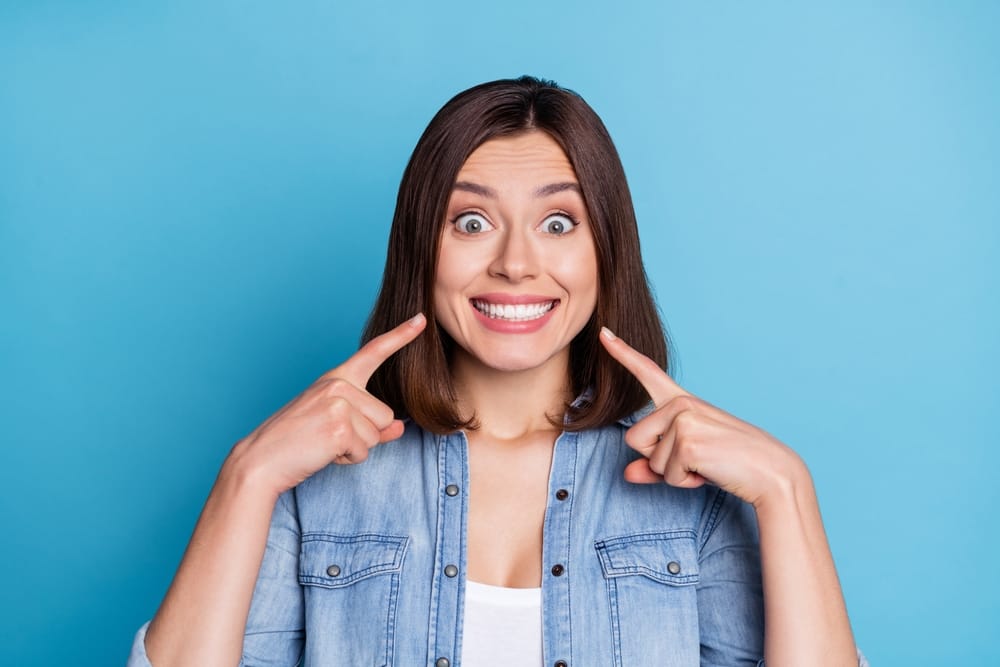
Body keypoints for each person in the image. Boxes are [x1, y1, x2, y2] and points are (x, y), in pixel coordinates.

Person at [128, 76, 866, 666]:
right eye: (471, 222)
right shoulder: (310, 492)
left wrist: (785, 488)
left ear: (606, 253)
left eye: (558, 223)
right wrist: (248, 473)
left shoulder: (698, 502)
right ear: (423, 248)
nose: (515, 262)